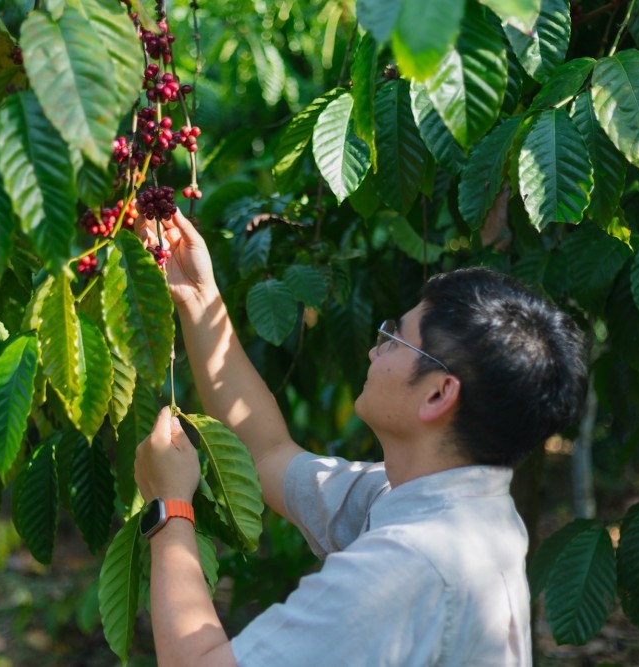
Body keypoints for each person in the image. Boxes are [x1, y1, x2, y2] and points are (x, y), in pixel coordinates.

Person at [133, 209, 589, 667]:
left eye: (395, 338)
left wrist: (168, 506)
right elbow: (267, 452)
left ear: (438, 393)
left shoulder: (404, 570)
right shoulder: (442, 505)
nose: (375, 348)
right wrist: (197, 297)